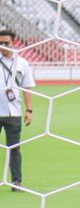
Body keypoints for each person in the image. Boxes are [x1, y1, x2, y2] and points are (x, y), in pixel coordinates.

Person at [0, 30, 34, 192]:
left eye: (6, 43)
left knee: (14, 148)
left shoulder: (22, 63)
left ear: (14, 44)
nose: (3, 46)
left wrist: (29, 110)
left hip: (14, 113)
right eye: (1, 43)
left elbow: (27, 87)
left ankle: (16, 181)